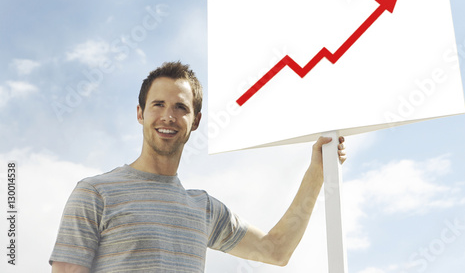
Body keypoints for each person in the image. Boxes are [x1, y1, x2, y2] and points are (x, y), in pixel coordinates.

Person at [50, 61, 347, 272]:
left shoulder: (203, 209)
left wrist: (316, 174)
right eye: (158, 105)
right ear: (140, 113)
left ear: (196, 120)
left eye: (181, 107)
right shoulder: (95, 194)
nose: (168, 116)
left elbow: (276, 250)